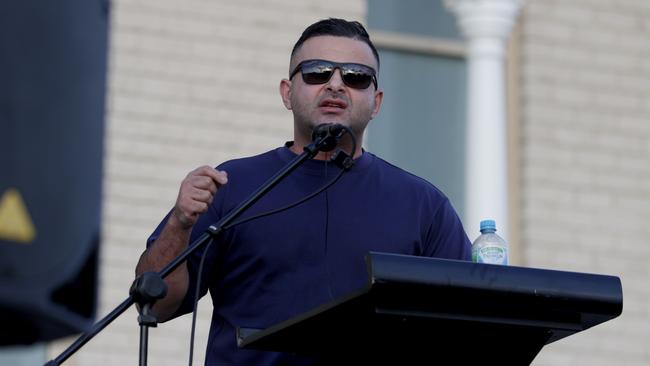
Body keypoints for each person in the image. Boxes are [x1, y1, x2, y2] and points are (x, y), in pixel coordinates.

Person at [136, 18, 471, 365]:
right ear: (287, 92)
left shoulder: (423, 205)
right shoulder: (233, 184)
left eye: (356, 77)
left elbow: (469, 325)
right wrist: (178, 223)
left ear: (377, 102)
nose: (336, 85)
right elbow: (157, 303)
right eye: (317, 72)